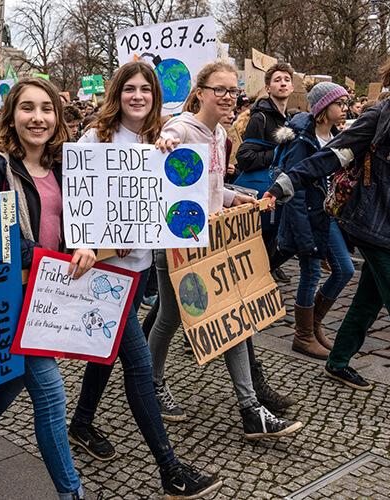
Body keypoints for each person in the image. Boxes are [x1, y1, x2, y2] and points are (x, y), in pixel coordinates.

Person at [266, 48, 390, 423]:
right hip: (375, 229)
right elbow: (332, 156)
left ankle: (338, 360)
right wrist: (286, 183)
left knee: (369, 297)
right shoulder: (379, 118)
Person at [67, 61, 222, 499]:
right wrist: (85, 243)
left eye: (146, 90)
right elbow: (79, 199)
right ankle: (170, 469)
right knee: (136, 364)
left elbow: (178, 192)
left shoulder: (161, 138)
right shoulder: (94, 139)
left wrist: (172, 153)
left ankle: (80, 423)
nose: (138, 96)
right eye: (130, 89)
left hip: (136, 270)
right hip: (103, 270)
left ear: (156, 95)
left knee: (105, 352)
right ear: (117, 93)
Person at [0, 78, 95, 500]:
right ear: (11, 115)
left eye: (47, 108)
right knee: (49, 391)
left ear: (58, 116)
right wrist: (42, 259)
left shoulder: (69, 167)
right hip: (9, 300)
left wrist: (85, 244)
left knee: (10, 377)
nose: (38, 117)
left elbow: (89, 218)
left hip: (52, 297)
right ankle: (72, 493)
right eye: (28, 108)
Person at [148, 61, 302, 439]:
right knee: (169, 318)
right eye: (221, 89)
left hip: (214, 242)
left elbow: (211, 187)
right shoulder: (180, 129)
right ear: (200, 92)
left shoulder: (219, 136)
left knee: (234, 317)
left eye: (233, 90)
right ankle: (150, 384)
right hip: (178, 245)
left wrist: (237, 200)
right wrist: (162, 146)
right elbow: (160, 160)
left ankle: (250, 409)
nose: (229, 97)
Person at [275, 82, 355, 359]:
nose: (344, 109)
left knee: (345, 269)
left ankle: (315, 324)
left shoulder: (336, 137)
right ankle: (303, 335)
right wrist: (305, 238)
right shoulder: (302, 141)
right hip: (306, 218)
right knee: (311, 274)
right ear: (323, 108)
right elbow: (294, 190)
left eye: (346, 103)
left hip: (326, 216)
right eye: (339, 104)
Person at [236, 62, 295, 284]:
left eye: (287, 79)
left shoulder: (289, 117)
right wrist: (279, 154)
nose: (283, 83)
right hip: (260, 187)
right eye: (277, 79)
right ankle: (255, 276)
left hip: (276, 188)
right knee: (260, 234)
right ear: (268, 87)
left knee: (274, 231)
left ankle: (269, 266)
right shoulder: (259, 117)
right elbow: (245, 158)